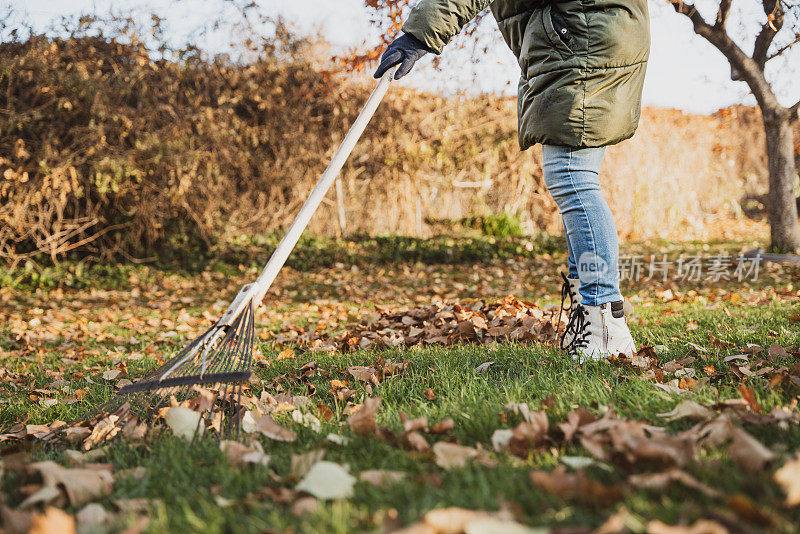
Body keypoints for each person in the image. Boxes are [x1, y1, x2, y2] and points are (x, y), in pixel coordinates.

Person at [374, 0, 650, 361]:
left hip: (581, 33)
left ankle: (605, 322)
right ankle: (593, 313)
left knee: (571, 175)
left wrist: (418, 34)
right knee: (576, 174)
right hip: (592, 29)